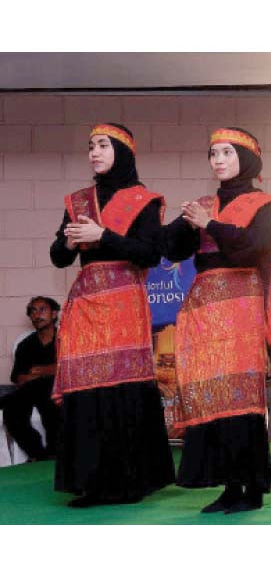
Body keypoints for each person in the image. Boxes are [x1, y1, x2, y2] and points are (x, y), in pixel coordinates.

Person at [160, 127, 271, 514]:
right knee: (210, 393)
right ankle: (229, 486)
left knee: (241, 397)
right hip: (203, 307)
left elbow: (253, 249)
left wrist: (209, 225)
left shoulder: (265, 204)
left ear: (246, 159)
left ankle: (251, 487)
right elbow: (171, 249)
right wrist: (180, 225)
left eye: (227, 153)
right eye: (213, 153)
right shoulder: (203, 203)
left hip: (240, 305)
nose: (218, 160)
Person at [50, 123, 175, 507]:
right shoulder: (78, 201)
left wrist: (103, 237)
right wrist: (69, 242)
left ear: (122, 150)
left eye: (103, 145)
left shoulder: (143, 200)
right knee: (87, 388)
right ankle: (91, 482)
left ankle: (128, 481)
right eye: (90, 147)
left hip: (123, 301)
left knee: (120, 386)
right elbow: (59, 258)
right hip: (86, 303)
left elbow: (151, 254)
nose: (94, 153)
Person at [1, 297, 61, 461]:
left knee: (51, 404)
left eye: (42, 309)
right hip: (31, 389)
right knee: (12, 412)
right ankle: (39, 456)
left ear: (54, 313)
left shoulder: (65, 339)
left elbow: (68, 369)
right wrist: (51, 370)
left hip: (56, 388)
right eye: (33, 311)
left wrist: (39, 371)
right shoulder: (26, 345)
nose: (37, 315)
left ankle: (54, 453)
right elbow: (20, 378)